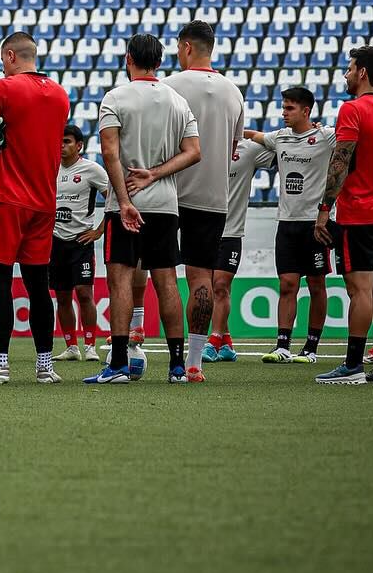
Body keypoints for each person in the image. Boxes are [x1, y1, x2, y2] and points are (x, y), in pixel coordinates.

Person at [89, 32, 200, 384]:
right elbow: (194, 152)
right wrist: (155, 174)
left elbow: (110, 152)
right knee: (166, 280)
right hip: (165, 204)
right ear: (160, 62)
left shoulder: (115, 97)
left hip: (126, 204)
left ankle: (119, 363)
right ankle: (178, 367)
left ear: (128, 59)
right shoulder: (177, 101)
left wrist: (123, 201)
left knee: (120, 280)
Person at [0, 32, 69, 385]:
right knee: (39, 286)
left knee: (0, 283)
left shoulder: (4, 89)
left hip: (7, 199)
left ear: (9, 56)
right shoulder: (59, 94)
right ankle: (44, 366)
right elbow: (26, 129)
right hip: (44, 201)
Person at [314, 46, 373, 385]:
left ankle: (353, 364)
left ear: (363, 73)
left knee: (361, 290)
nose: (346, 74)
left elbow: (340, 162)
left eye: (350, 68)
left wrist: (324, 210)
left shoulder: (352, 110)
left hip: (360, 214)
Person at [166, 21, 245, 380]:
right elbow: (233, 150)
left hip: (167, 193)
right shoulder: (234, 92)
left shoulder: (169, 87)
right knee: (201, 278)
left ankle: (135, 344)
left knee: (156, 272)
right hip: (213, 195)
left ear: (185, 48)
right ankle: (195, 363)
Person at [252, 87, 333, 364]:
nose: (283, 113)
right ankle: (282, 345)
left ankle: (311, 347)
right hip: (286, 223)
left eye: (289, 108)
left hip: (314, 224)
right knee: (287, 283)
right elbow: (254, 136)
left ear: (306, 111)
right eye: (283, 107)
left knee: (316, 284)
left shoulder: (326, 136)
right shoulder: (280, 137)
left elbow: (354, 143)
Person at [51, 125, 108, 362]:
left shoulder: (92, 170)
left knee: (84, 293)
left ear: (79, 145)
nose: (62, 146)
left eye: (66, 141)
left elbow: (116, 197)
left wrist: (98, 231)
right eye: (59, 142)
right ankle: (71, 346)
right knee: (62, 296)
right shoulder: (49, 169)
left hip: (80, 242)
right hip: (55, 242)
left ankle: (91, 345)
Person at [204, 119, 257, 364]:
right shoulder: (201, 146)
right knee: (213, 288)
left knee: (221, 285)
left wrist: (313, 130)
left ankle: (213, 340)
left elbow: (282, 148)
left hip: (232, 232)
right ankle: (226, 342)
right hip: (205, 230)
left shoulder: (248, 149)